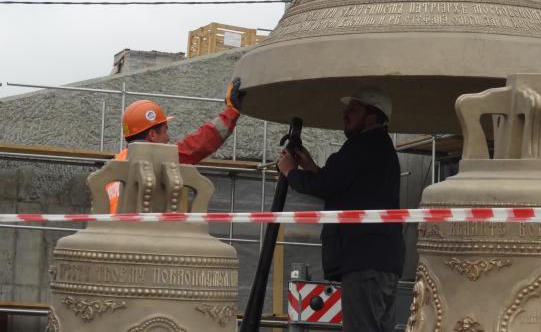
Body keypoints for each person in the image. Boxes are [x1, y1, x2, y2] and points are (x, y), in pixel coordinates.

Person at [277, 87, 405, 332]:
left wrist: (290, 171)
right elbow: (346, 185)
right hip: (382, 259)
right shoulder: (380, 149)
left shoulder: (361, 147)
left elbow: (326, 185)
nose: (345, 114)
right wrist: (313, 167)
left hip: (363, 258)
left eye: (353, 110)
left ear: (373, 116)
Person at [106, 78, 244, 213]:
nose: (168, 138)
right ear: (152, 135)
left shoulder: (117, 163)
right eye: (165, 130)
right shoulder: (153, 161)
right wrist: (232, 112)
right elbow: (197, 145)